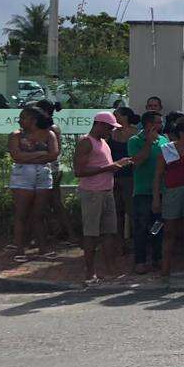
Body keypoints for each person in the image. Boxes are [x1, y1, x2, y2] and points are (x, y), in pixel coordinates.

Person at [73, 112, 134, 283]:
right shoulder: (86, 142)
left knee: (109, 232)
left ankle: (111, 269)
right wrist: (110, 167)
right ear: (99, 124)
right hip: (92, 193)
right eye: (109, 127)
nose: (111, 131)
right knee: (91, 233)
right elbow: (79, 171)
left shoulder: (103, 142)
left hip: (107, 191)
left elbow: (104, 166)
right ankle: (89, 272)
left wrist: (115, 165)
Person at [153, 121, 184, 278]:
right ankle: (165, 269)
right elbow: (158, 175)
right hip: (172, 193)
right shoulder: (166, 149)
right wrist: (156, 198)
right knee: (169, 231)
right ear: (181, 133)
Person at [8, 105, 58, 257]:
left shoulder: (49, 134)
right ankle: (19, 249)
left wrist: (28, 155)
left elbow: (53, 154)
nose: (20, 121)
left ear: (33, 120)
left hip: (43, 174)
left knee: (39, 214)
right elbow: (16, 156)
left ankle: (43, 248)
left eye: (23, 117)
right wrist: (41, 153)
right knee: (21, 213)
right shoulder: (16, 135)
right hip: (23, 175)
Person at [127, 110, 169, 275]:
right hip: (143, 191)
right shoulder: (134, 140)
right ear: (149, 124)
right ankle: (140, 261)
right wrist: (148, 143)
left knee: (158, 226)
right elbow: (136, 162)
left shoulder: (164, 140)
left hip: (162, 190)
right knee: (141, 227)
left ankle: (157, 258)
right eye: (158, 122)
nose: (161, 125)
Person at [33, 99, 77, 244]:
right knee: (51, 203)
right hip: (51, 168)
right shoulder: (50, 127)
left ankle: (70, 235)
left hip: (51, 169)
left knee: (55, 203)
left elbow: (54, 152)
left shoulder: (51, 129)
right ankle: (59, 232)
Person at [109, 106, 139, 251]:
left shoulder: (136, 134)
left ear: (125, 117)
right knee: (116, 211)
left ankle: (136, 242)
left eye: (117, 115)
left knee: (132, 210)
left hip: (130, 176)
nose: (114, 118)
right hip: (113, 176)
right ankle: (119, 242)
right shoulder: (111, 134)